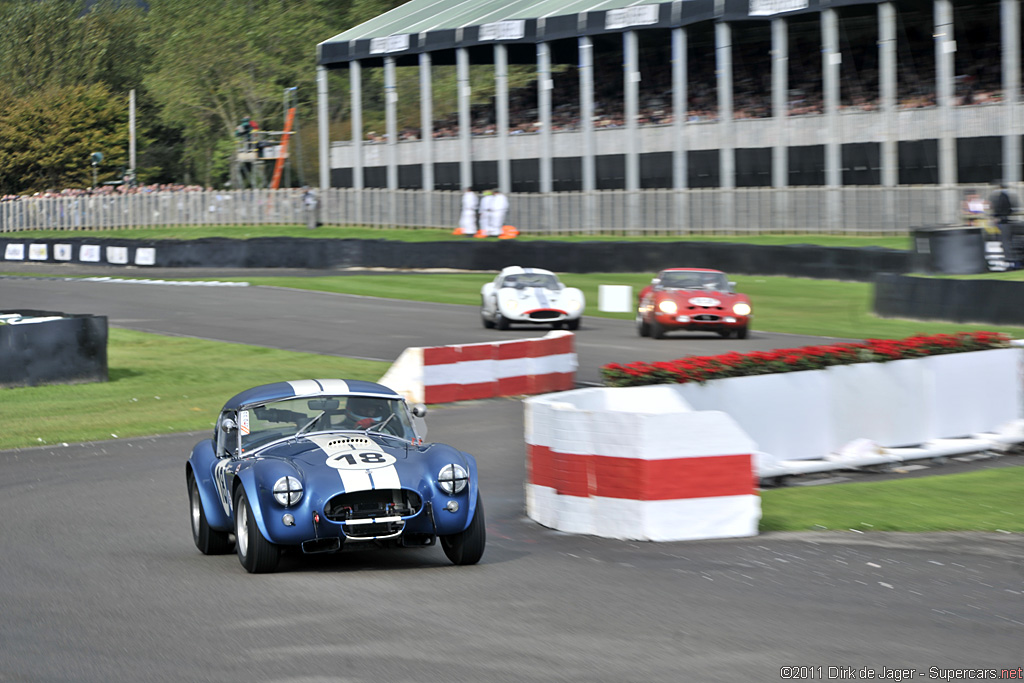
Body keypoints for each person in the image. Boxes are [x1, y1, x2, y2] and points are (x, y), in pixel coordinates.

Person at [988, 180, 1018, 259]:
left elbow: (1000, 208)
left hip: (1003, 220)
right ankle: (1009, 257)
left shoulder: (1002, 196)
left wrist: (995, 216)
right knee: (1008, 240)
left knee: (1004, 240)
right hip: (1007, 220)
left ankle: (1008, 257)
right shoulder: (1010, 195)